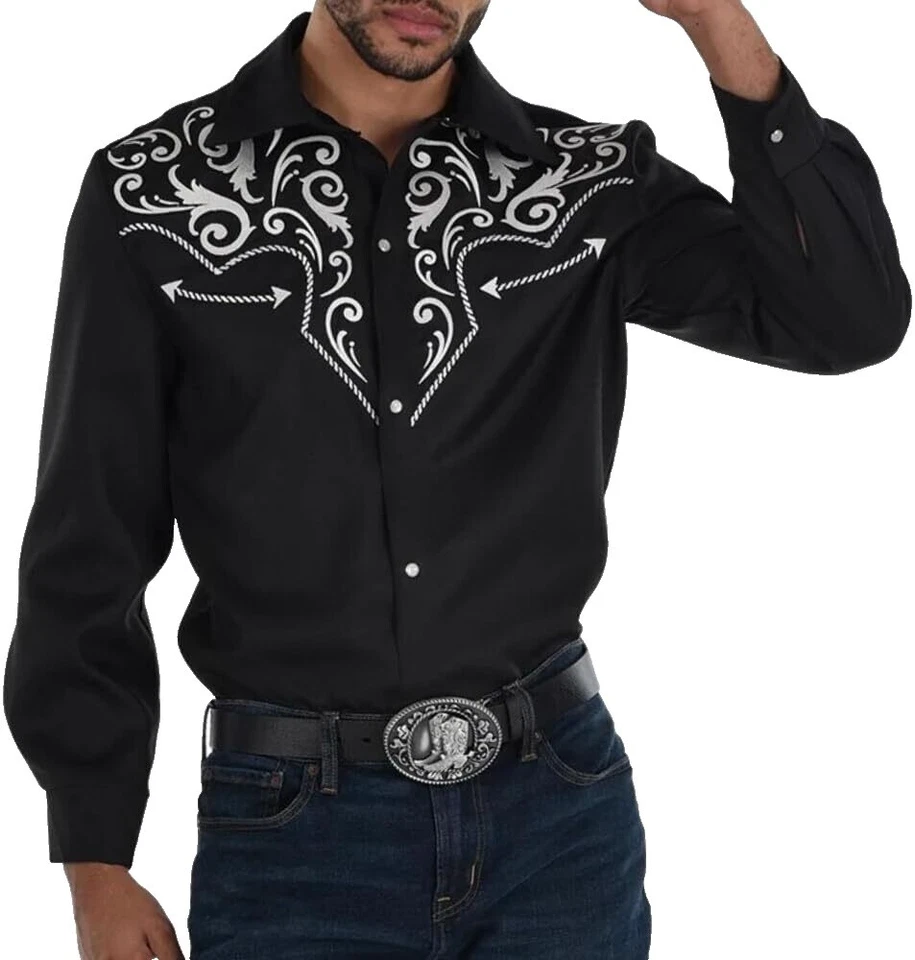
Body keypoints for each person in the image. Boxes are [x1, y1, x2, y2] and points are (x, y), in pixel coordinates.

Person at [3, 0, 909, 957]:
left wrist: (714, 22)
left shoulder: (583, 183)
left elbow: (843, 320)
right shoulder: (153, 193)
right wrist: (95, 860)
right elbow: (90, 535)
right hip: (294, 838)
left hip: (558, 823)